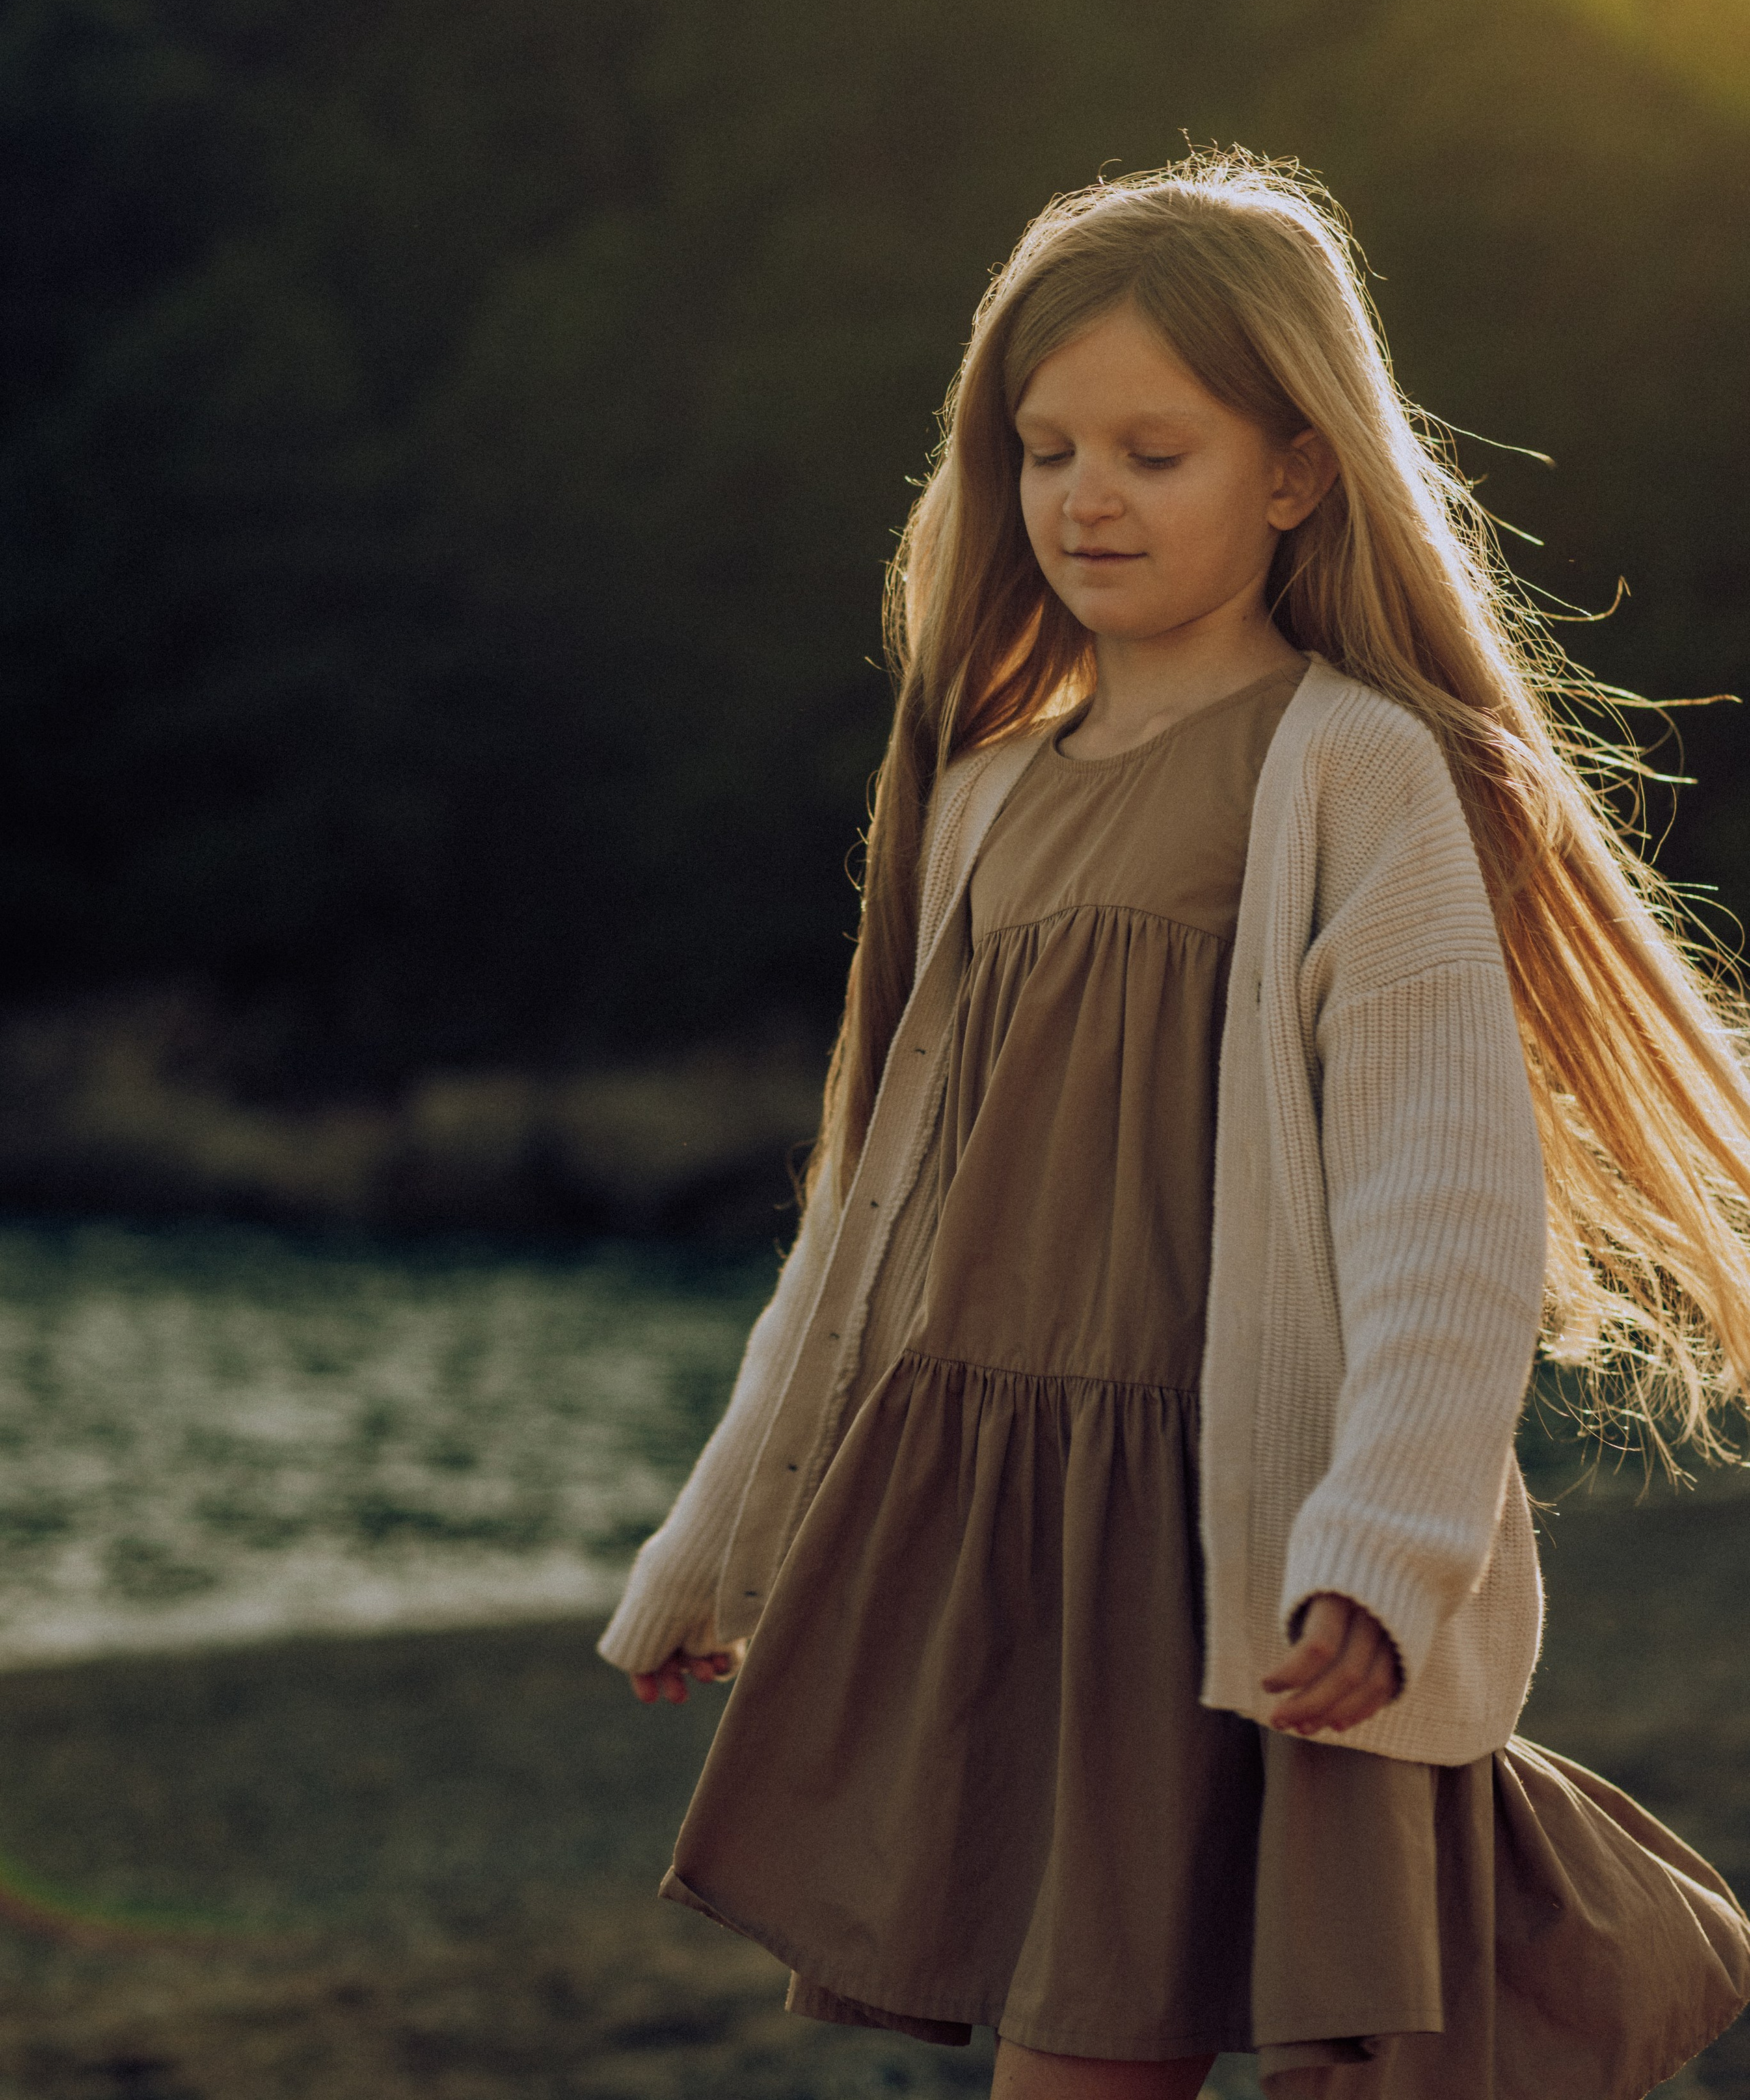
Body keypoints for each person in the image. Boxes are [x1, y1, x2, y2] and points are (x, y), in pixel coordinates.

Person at [597, 156, 1750, 2097]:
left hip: (1246, 1527)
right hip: (1007, 1538)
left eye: (1153, 449)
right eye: (1044, 449)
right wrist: (713, 1541)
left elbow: (1442, 1200)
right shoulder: (983, 790)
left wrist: (1387, 1542)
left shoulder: (1357, 769)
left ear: (1295, 472)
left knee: (1340, 2028)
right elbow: (868, 1219)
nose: (1085, 496)